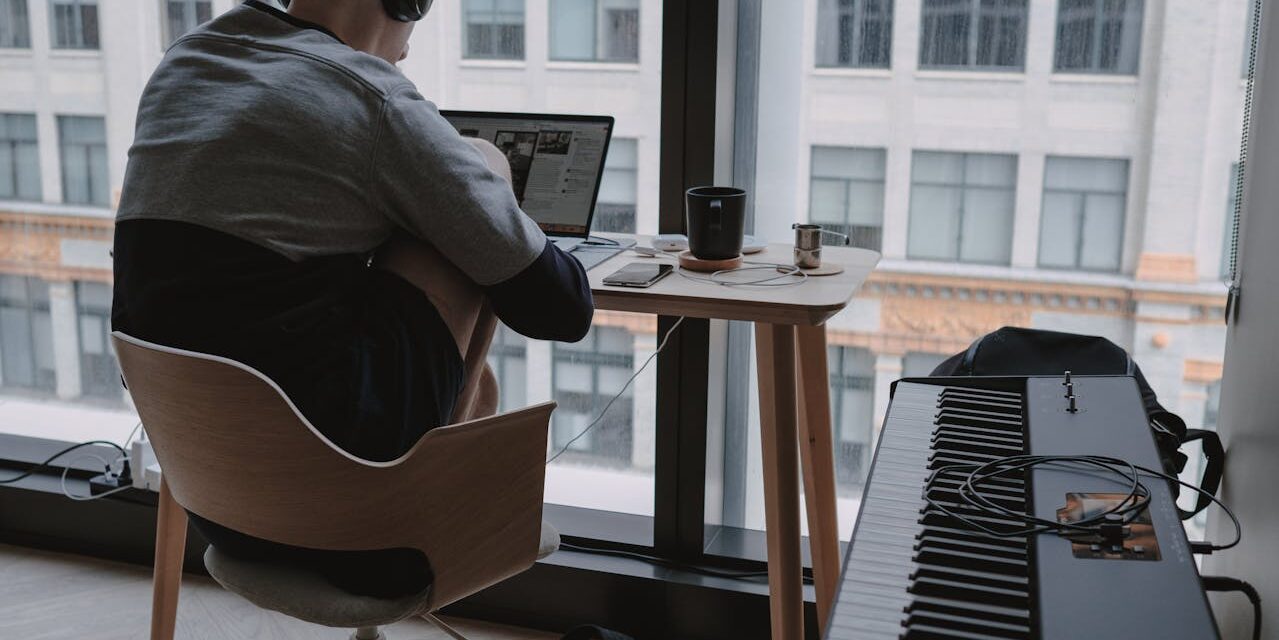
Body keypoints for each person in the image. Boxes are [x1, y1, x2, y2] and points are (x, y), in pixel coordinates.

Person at [111, 0, 593, 598]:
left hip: (221, 510)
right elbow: (560, 309)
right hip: (358, 526)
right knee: (479, 160)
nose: (410, 47)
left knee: (476, 373)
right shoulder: (375, 96)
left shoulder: (187, 62)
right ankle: (424, 502)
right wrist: (483, 198)